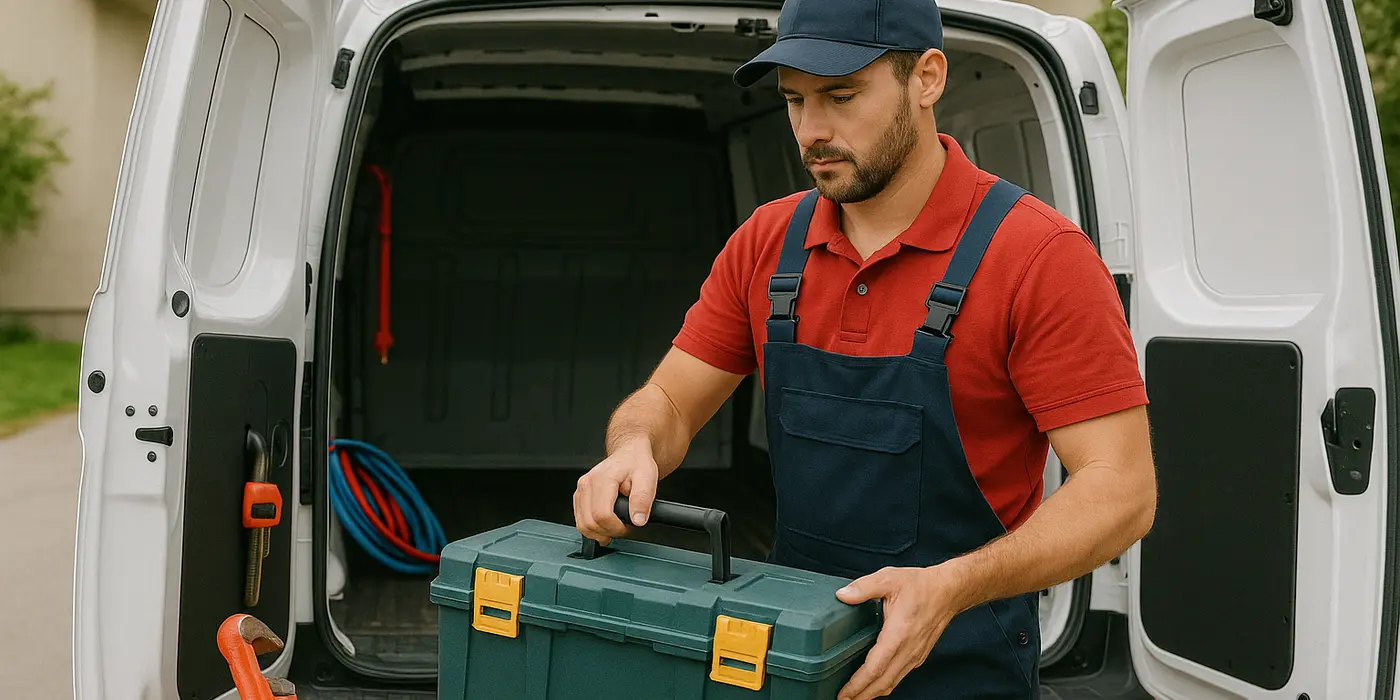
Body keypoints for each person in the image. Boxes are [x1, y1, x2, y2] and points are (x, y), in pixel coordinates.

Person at [572, 0, 1157, 697]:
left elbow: (1122, 490)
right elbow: (667, 400)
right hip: (790, 658)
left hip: (961, 668)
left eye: (842, 96)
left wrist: (951, 586)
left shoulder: (1037, 257)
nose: (812, 130)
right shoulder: (767, 243)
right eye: (794, 102)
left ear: (927, 78)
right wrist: (633, 445)